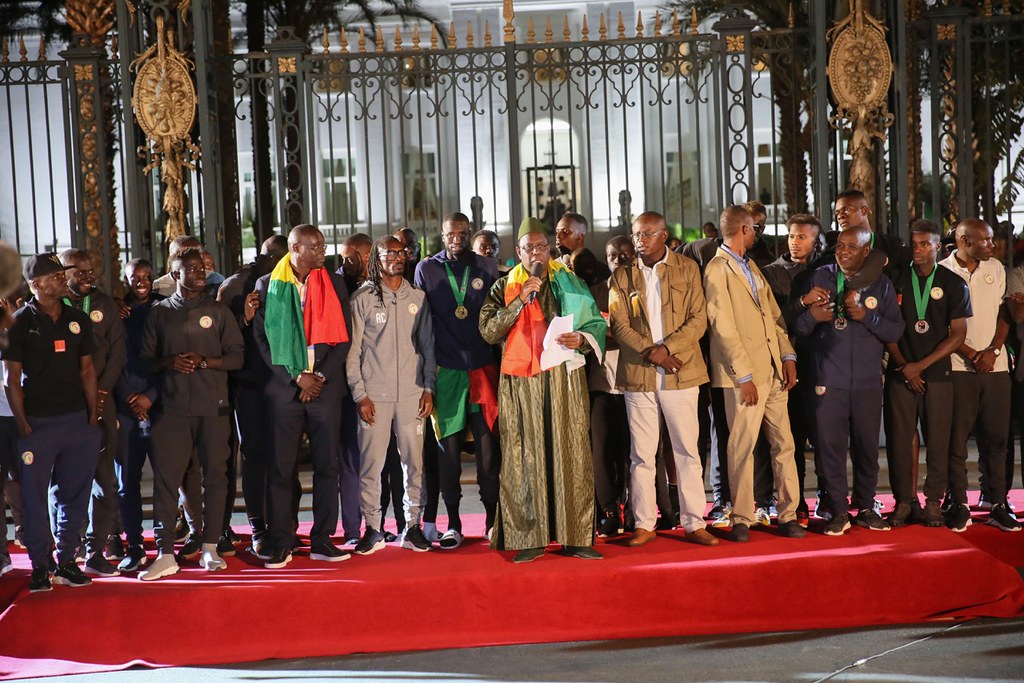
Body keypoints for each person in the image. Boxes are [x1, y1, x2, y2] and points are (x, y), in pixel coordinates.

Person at [479, 217, 607, 562]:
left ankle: (576, 536)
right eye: (528, 248)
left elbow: (596, 323)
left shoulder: (571, 282)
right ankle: (530, 537)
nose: (535, 253)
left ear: (549, 249)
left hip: (564, 379)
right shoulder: (503, 287)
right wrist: (519, 300)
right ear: (518, 251)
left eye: (541, 247)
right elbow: (488, 331)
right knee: (526, 456)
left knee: (571, 452)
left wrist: (582, 338)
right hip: (523, 383)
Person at [607, 212, 718, 548]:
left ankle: (694, 522)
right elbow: (619, 324)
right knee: (641, 455)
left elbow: (698, 319)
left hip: (681, 371)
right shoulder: (622, 276)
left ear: (663, 235)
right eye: (636, 234)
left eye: (646, 234)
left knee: (687, 451)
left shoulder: (687, 268)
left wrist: (668, 349)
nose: (639, 240)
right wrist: (653, 352)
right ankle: (644, 524)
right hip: (639, 374)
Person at [138, 248, 244, 580]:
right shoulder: (159, 313)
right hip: (170, 411)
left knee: (215, 477)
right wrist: (169, 361)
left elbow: (237, 357)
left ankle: (210, 546)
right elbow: (145, 361)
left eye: (202, 268)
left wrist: (206, 362)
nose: (200, 273)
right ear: (175, 275)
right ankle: (165, 553)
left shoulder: (218, 311)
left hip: (213, 409)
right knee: (166, 482)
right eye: (192, 269)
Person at [254, 225, 353, 568]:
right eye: (316, 246)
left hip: (324, 389)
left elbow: (344, 337)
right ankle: (282, 540)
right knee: (281, 468)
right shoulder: (268, 285)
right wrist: (297, 377)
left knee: (328, 466)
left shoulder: (334, 283)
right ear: (296, 248)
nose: (323, 251)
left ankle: (322, 539)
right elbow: (263, 340)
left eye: (323, 245)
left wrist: (319, 377)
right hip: (286, 390)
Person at [2, 253, 102, 592]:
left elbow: (87, 369)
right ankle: (40, 565)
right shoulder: (18, 322)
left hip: (77, 422)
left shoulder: (78, 319)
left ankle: (67, 561)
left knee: (75, 494)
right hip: (38, 424)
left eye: (62, 274)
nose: (62, 279)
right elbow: (10, 379)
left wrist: (92, 416)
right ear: (36, 284)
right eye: (55, 276)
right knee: (33, 497)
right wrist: (23, 425)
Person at [704, 206, 805, 542]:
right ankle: (742, 518)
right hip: (743, 376)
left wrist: (787, 356)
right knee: (742, 448)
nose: (757, 233)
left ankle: (788, 514)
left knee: (784, 445)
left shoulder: (751, 266)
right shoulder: (717, 268)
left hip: (773, 371)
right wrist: (744, 376)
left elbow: (773, 317)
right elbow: (722, 326)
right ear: (744, 229)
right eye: (755, 228)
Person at [795, 227, 904, 535]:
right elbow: (798, 328)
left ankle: (866, 507)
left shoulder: (881, 284)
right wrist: (811, 317)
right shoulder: (821, 277)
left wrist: (866, 317)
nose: (843, 251)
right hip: (828, 381)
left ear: (866, 252)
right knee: (830, 449)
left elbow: (895, 331)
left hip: (867, 382)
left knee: (867, 447)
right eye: (840, 245)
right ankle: (838, 511)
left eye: (851, 247)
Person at [414, 212, 500, 548]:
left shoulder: (487, 267)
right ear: (442, 234)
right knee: (447, 454)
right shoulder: (427, 269)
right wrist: (426, 378)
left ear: (470, 233)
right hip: (447, 370)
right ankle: (453, 523)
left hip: (482, 368)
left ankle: (492, 521)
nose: (457, 239)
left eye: (463, 233)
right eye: (451, 233)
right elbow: (422, 324)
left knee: (488, 453)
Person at [349, 236, 436, 554]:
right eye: (390, 254)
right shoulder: (362, 298)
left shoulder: (418, 297)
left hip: (412, 394)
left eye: (401, 253)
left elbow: (428, 347)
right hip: (374, 396)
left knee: (415, 464)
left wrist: (428, 388)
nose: (397, 258)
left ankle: (412, 527)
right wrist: (360, 394)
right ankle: (373, 528)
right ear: (377, 258)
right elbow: (353, 351)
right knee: (371, 465)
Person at [884, 219, 971, 528]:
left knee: (938, 440)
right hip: (900, 372)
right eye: (914, 244)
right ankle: (904, 502)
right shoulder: (895, 278)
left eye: (924, 244)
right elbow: (886, 327)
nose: (917, 250)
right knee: (899, 439)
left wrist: (919, 367)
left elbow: (958, 335)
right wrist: (905, 366)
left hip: (936, 374)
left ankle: (933, 501)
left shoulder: (952, 283)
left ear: (938, 246)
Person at [940, 218, 1020, 532]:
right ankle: (959, 503)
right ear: (964, 241)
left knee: (998, 439)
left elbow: (1004, 314)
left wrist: (993, 350)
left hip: (995, 368)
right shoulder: (942, 271)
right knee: (956, 441)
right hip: (959, 368)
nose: (992, 245)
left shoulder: (996, 268)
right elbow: (942, 324)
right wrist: (972, 354)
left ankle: (997, 502)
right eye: (985, 240)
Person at [217, 234, 289, 557]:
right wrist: (244, 319)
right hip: (250, 386)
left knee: (283, 458)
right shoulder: (234, 287)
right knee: (255, 457)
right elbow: (219, 337)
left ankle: (284, 525)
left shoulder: (293, 281)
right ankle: (258, 528)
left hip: (285, 383)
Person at [58, 249, 127, 576]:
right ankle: (65, 551)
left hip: (101, 400)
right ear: (64, 273)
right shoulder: (52, 307)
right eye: (81, 272)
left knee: (104, 478)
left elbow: (117, 352)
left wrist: (101, 392)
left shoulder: (103, 304)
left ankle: (96, 549)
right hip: (64, 405)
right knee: (63, 482)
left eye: (90, 271)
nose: (89, 277)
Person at [762, 214, 823, 525]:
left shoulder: (827, 269)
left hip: (824, 364)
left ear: (816, 240)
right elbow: (774, 320)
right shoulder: (771, 273)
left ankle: (828, 498)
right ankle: (795, 503)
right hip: (789, 366)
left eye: (802, 237)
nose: (795, 242)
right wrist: (803, 302)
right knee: (792, 440)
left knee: (825, 438)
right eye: (791, 236)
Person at [113, 259, 162, 572]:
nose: (141, 282)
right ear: (126, 279)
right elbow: (110, 359)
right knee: (127, 481)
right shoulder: (117, 312)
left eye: (146, 277)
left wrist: (151, 397)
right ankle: (134, 544)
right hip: (126, 406)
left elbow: (171, 358)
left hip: (160, 406)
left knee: (165, 480)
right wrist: (129, 398)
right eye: (135, 277)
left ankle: (165, 544)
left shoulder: (164, 308)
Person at [591, 236, 635, 537]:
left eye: (623, 254)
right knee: (602, 452)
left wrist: (614, 333)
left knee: (634, 453)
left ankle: (633, 510)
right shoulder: (594, 292)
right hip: (602, 385)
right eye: (611, 255)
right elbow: (589, 331)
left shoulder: (646, 290)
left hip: (636, 384)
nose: (618, 259)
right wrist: (623, 335)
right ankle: (608, 511)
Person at [555, 212, 612, 287]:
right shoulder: (550, 270)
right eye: (557, 231)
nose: (558, 236)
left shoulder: (601, 272)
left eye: (565, 232)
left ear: (580, 237)